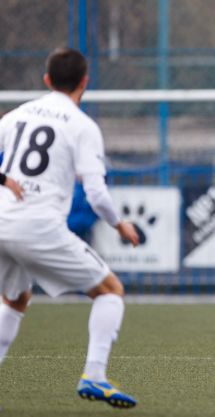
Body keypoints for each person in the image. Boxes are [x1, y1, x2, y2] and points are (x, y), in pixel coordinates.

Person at [0, 48, 140, 408]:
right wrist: (119, 224)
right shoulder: (82, 126)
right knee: (110, 290)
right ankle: (94, 376)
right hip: (36, 227)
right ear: (85, 82)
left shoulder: (17, 115)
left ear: (46, 79)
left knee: (15, 298)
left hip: (2, 221)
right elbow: (95, 193)